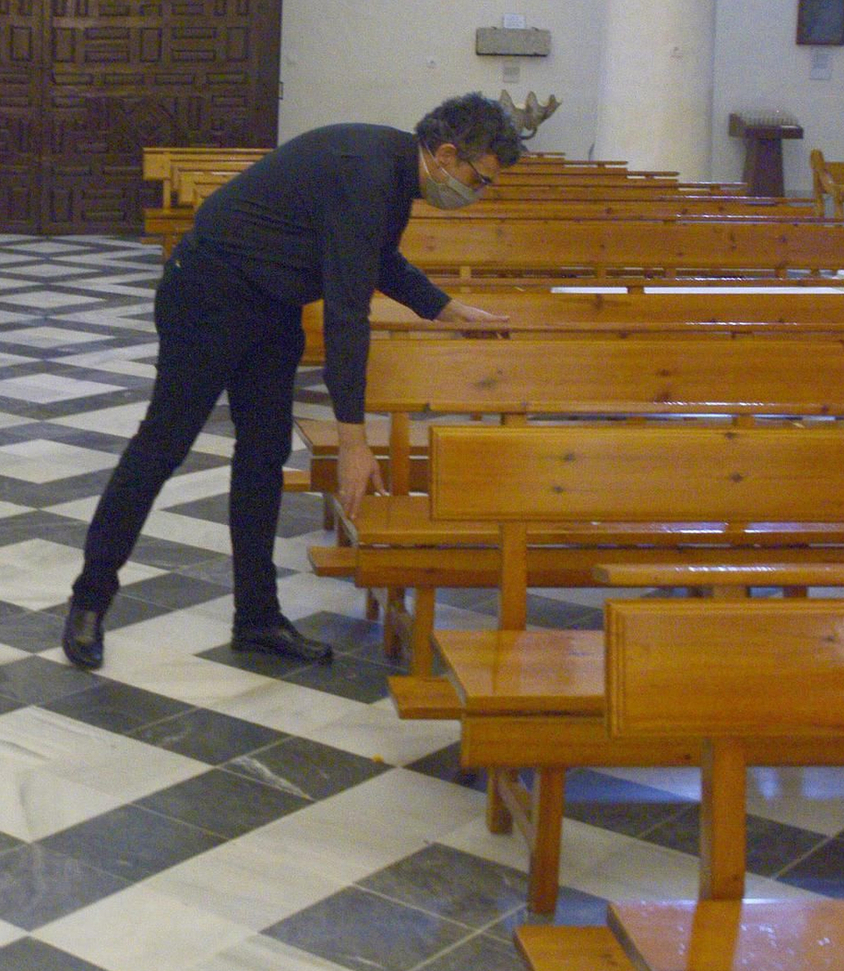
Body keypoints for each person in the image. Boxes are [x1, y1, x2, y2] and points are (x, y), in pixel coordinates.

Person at [61, 94, 521, 671]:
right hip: (208, 294)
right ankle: (89, 602)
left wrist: (446, 308)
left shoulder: (394, 169)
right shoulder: (368, 171)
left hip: (271, 303)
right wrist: (354, 441)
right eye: (478, 180)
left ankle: (256, 618)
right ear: (449, 154)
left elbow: (377, 260)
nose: (475, 194)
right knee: (163, 445)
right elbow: (347, 314)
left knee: (262, 456)